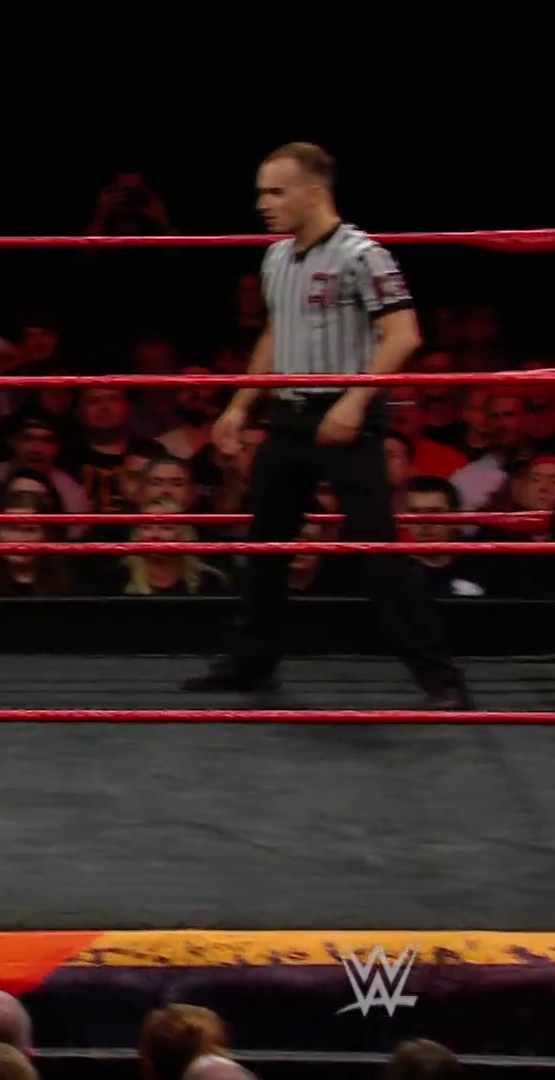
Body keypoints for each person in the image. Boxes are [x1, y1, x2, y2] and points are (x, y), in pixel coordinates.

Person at [185, 142, 468, 707]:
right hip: (288, 417)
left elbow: (404, 336)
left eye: (276, 192)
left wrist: (355, 401)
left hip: (346, 418)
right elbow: (275, 334)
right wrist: (239, 405)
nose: (263, 204)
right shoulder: (275, 257)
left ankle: (441, 679)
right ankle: (252, 664)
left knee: (377, 553)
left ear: (315, 192)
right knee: (266, 546)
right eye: (261, 192)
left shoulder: (363, 255)